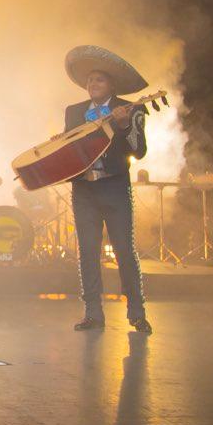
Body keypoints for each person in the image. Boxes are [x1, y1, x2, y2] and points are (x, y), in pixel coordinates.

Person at [63, 45, 152, 334]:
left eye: (99, 80)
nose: (92, 84)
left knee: (125, 250)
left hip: (114, 187)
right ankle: (92, 313)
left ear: (111, 85)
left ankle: (136, 312)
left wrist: (125, 126)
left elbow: (138, 152)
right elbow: (69, 151)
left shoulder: (130, 108)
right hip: (84, 190)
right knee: (87, 252)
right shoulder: (74, 111)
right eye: (89, 80)